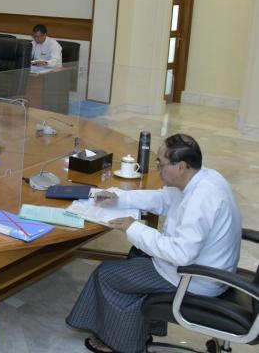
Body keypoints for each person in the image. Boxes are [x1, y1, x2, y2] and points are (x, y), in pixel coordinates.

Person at [66, 133, 242, 353]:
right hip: (208, 268)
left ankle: (120, 344)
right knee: (136, 254)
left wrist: (133, 227)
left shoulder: (201, 200)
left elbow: (180, 254)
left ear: (181, 167)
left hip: (194, 278)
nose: (157, 168)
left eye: (160, 163)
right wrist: (120, 197)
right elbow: (163, 199)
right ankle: (137, 331)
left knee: (107, 274)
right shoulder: (204, 178)